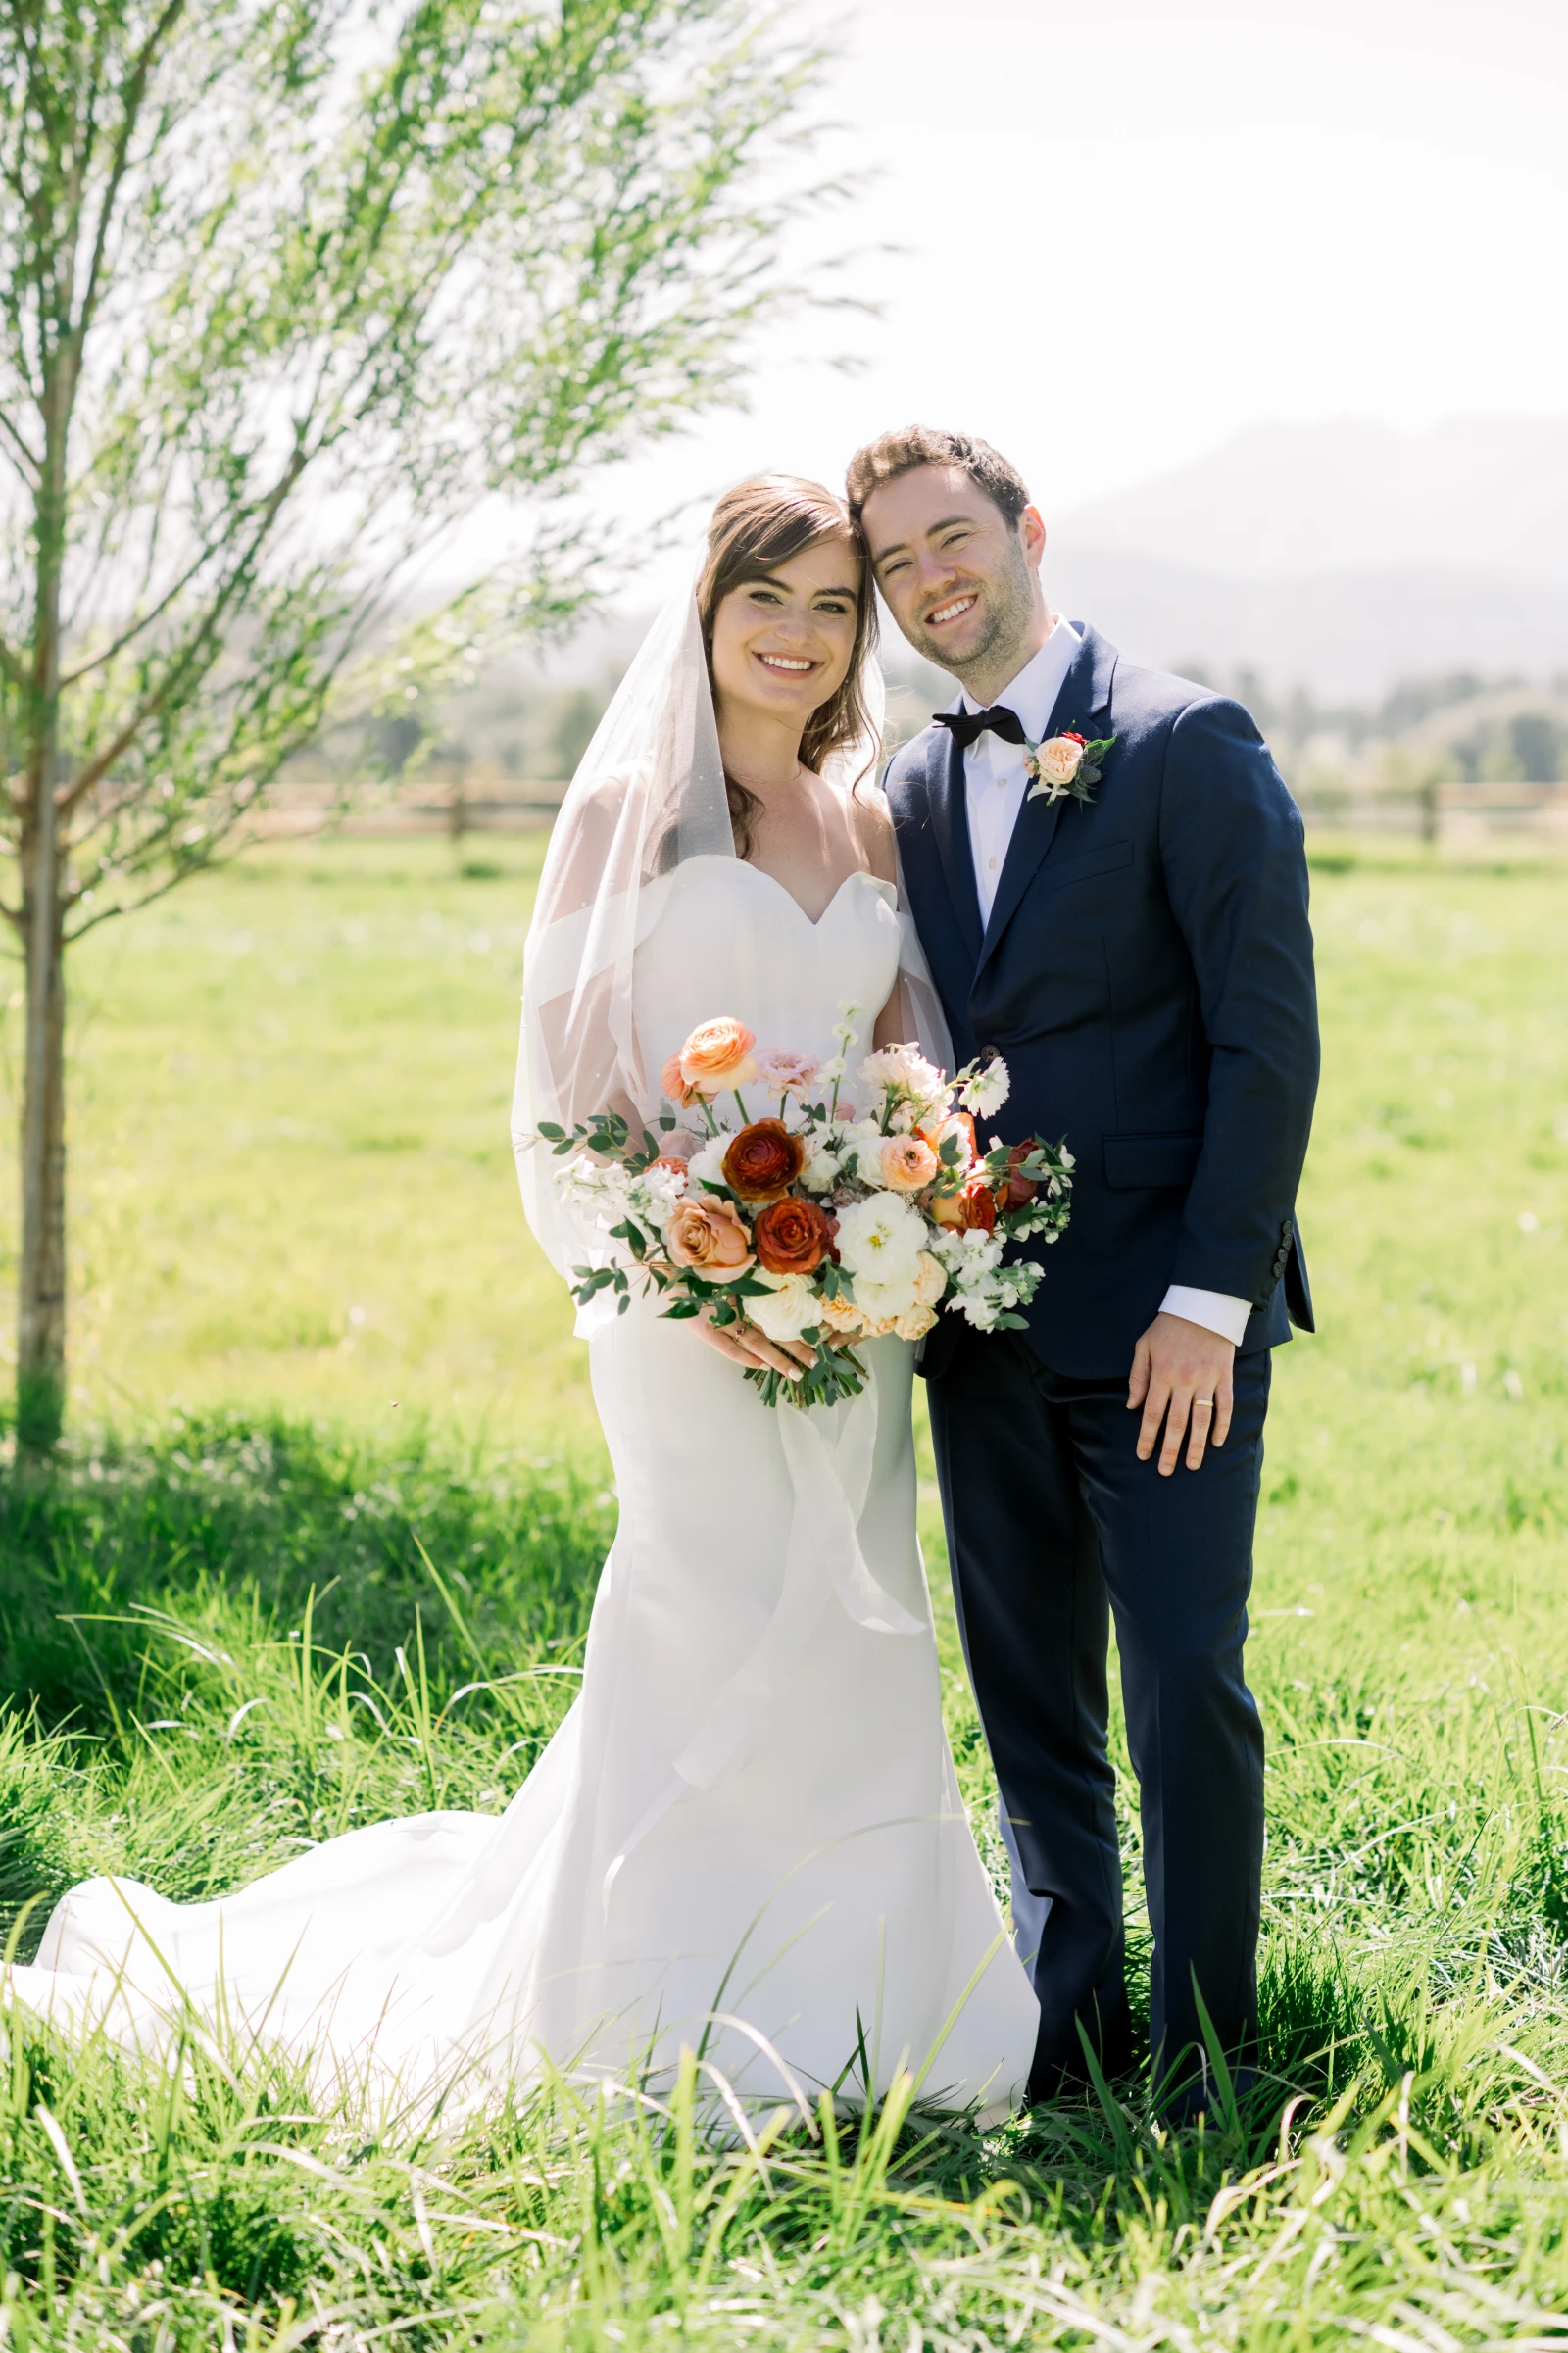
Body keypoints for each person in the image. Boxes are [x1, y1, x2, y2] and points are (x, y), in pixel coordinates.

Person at [7, 476, 1038, 2124]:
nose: (797, 634)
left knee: (858, 1615)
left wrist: (894, 1212)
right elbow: (571, 1088)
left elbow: (906, 1056)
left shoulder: (863, 821)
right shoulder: (629, 811)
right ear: (708, 611)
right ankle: (641, 1999)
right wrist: (694, 1260)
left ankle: (863, 1999)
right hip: (682, 1304)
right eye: (767, 598)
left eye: (834, 607)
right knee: (704, 1607)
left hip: (857, 1310)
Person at [850, 425, 1319, 2111]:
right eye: (895, 564)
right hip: (978, 1318)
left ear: (1027, 528)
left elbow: (1267, 1040)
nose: (930, 580)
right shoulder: (907, 788)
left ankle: (1203, 2056)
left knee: (1183, 1674)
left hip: (1165, 1322)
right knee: (1029, 1698)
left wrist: (1211, 1303)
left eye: (952, 538)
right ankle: (1066, 2034)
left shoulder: (1188, 741)